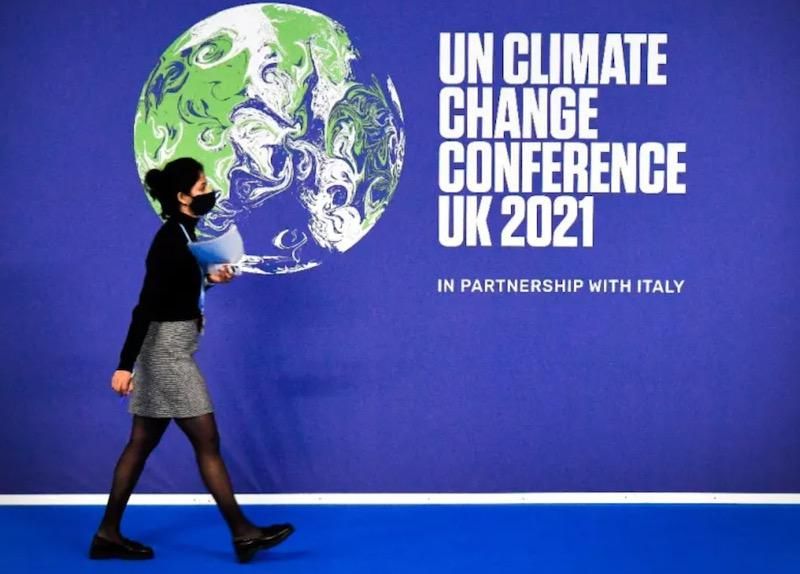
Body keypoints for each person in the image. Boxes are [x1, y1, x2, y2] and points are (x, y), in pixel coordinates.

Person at [89, 157, 294, 563]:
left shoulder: (186, 234)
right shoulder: (170, 240)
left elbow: (176, 293)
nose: (210, 189)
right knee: (207, 442)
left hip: (172, 348)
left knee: (141, 443)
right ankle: (243, 533)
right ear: (183, 197)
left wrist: (209, 280)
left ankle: (107, 534)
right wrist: (124, 365)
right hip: (166, 354)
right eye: (202, 186)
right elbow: (146, 306)